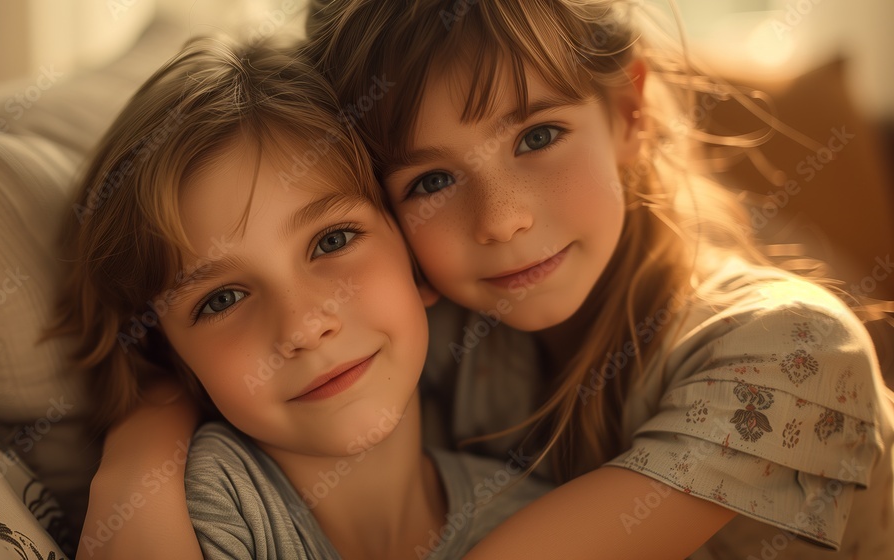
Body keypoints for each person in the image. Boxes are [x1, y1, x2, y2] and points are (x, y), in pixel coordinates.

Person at [300, 0, 894, 558]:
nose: (502, 221)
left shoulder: (796, 348)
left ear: (627, 114)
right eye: (431, 181)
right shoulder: (445, 335)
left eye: (538, 136)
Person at [52, 38, 550, 560]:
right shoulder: (205, 506)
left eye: (332, 241)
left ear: (415, 255)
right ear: (169, 355)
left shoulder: (534, 516)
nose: (303, 327)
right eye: (222, 299)